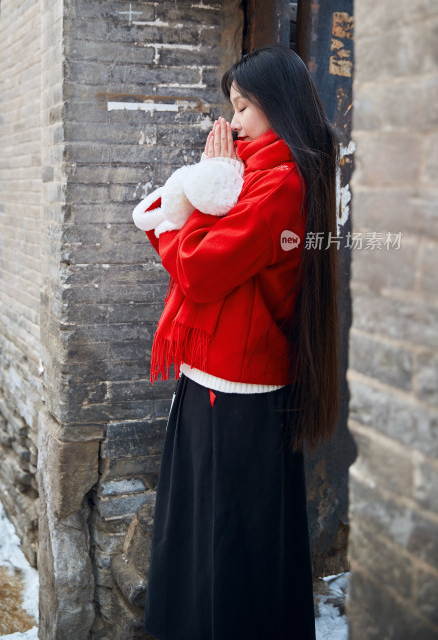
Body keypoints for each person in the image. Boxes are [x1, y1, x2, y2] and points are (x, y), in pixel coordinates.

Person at [132, 45, 340, 640]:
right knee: (216, 528)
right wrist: (213, 189)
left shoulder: (279, 186)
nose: (234, 123)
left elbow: (197, 270)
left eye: (244, 108)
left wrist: (189, 209)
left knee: (228, 534)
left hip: (240, 390)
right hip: (221, 377)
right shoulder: (262, 174)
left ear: (278, 105)